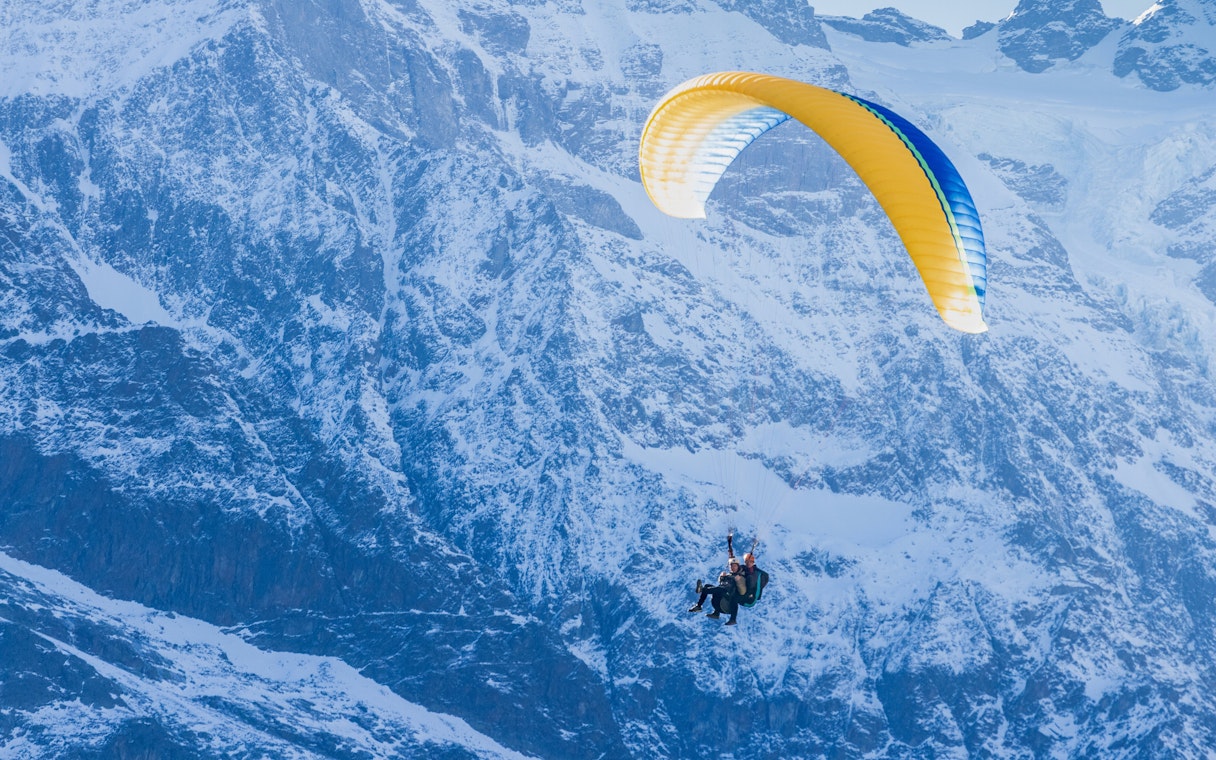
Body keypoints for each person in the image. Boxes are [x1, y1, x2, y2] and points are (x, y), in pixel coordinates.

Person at [688, 556, 746, 625]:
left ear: (738, 567)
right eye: (731, 566)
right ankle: (699, 606)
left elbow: (743, 591)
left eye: (734, 566)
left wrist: (738, 581)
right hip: (722, 597)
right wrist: (722, 577)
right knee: (708, 586)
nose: (733, 568)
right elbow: (722, 584)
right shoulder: (729, 575)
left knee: (719, 589)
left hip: (729, 599)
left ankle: (702, 590)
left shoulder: (740, 577)